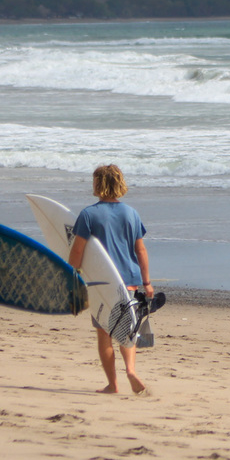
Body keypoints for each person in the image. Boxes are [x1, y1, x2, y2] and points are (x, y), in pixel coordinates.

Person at [68, 164, 153, 395]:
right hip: (129, 280)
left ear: (98, 184)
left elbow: (77, 250)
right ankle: (131, 371)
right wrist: (147, 282)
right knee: (126, 328)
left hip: (102, 282)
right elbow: (141, 251)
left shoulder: (88, 214)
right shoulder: (131, 213)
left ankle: (112, 385)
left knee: (104, 334)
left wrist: (70, 274)